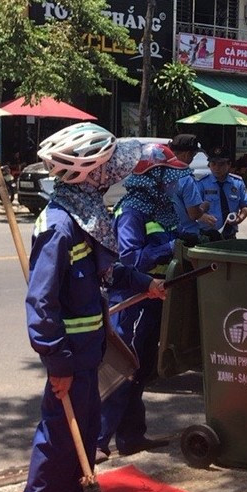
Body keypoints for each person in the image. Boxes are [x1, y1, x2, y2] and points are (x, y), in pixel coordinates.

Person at [8, 123, 166, 492]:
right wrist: (56, 362)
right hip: (70, 359)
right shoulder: (59, 226)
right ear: (86, 173)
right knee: (57, 442)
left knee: (87, 432)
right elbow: (40, 303)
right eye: (108, 170)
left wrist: (144, 282)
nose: (115, 176)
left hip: (91, 353)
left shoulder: (88, 215)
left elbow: (105, 272)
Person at [96, 143, 190, 462]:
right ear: (152, 175)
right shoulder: (132, 210)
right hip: (134, 299)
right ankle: (99, 440)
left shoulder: (160, 208)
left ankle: (132, 436)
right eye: (168, 175)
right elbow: (129, 259)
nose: (173, 182)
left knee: (142, 370)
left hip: (156, 297)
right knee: (125, 368)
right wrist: (168, 249)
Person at [197, 145, 247, 240]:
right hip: (207, 236)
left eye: (221, 164)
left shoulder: (237, 183)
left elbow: (244, 206)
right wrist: (203, 216)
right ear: (209, 165)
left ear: (229, 164)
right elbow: (192, 209)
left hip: (230, 236)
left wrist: (240, 218)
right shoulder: (201, 183)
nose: (217, 168)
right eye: (213, 164)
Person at [168, 133, 215, 239]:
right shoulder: (185, 178)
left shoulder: (160, 175)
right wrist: (203, 207)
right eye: (193, 156)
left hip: (165, 235)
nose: (192, 159)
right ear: (187, 154)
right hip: (187, 236)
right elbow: (194, 214)